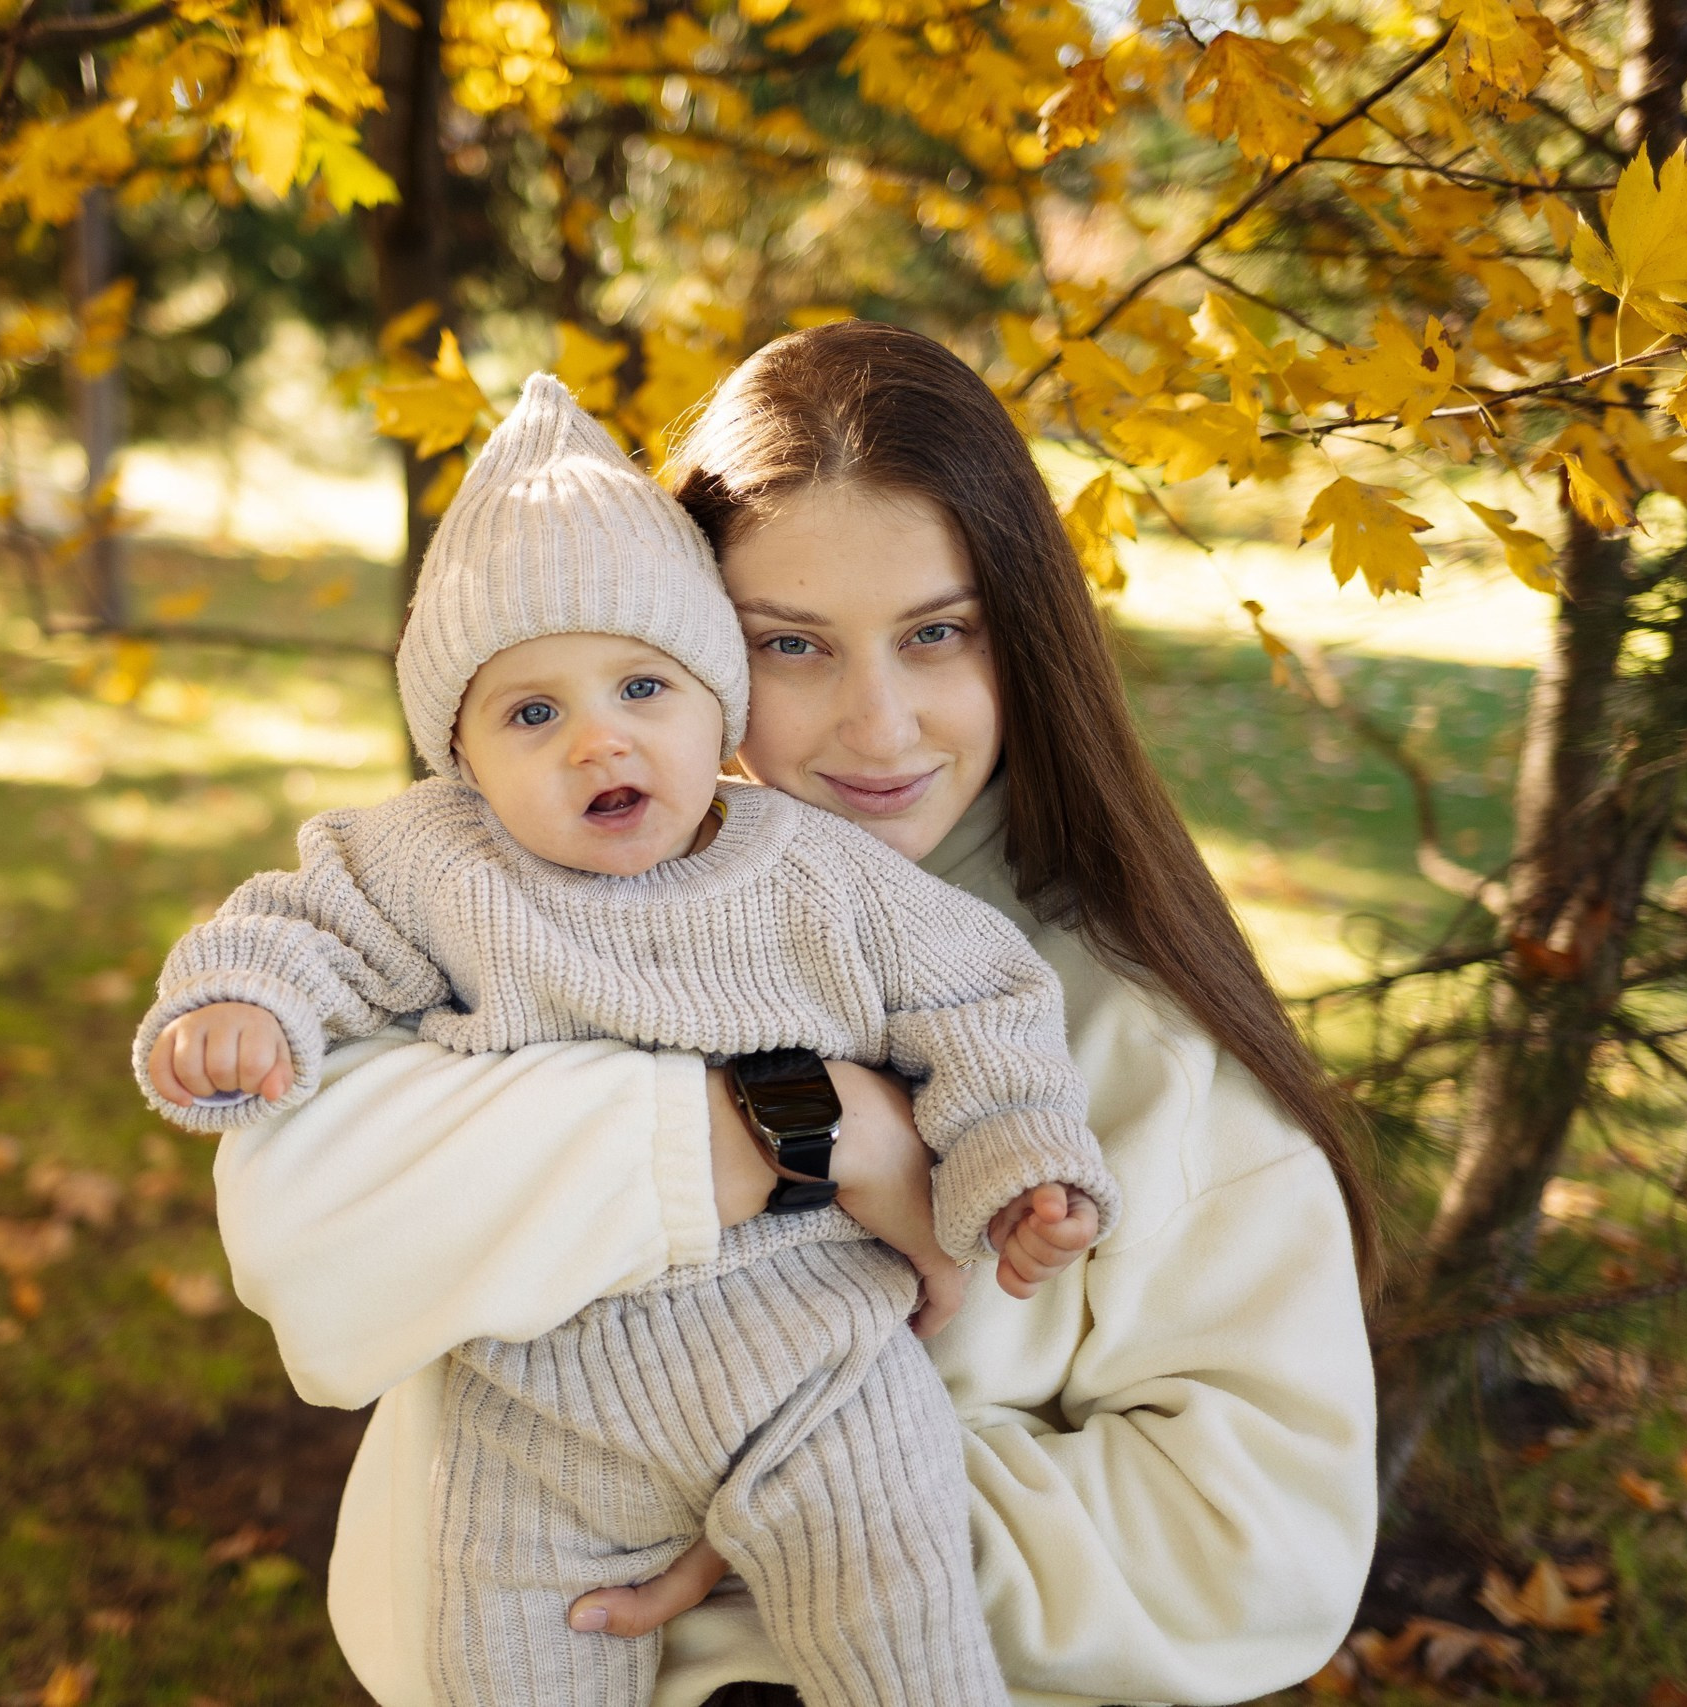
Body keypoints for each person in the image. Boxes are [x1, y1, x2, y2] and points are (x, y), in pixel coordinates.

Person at [212, 321, 1379, 1706]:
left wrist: (797, 1509)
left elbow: (1261, 1544)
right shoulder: (510, 920)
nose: (877, 729)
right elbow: (304, 1239)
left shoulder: (1138, 1044)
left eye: (937, 634)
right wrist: (784, 1124)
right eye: (794, 645)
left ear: (1024, 638)